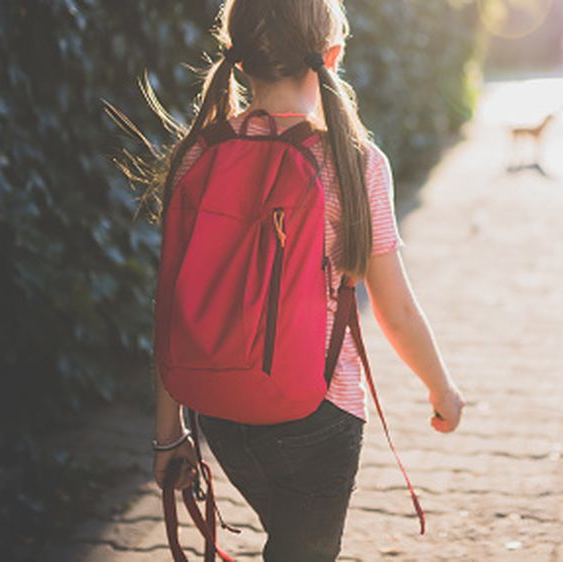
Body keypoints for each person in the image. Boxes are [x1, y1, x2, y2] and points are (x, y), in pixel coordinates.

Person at [143, 1, 465, 560]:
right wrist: (442, 391)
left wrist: (168, 433)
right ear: (332, 57)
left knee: (286, 538)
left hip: (218, 408)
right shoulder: (354, 161)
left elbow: (174, 302)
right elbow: (396, 310)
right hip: (318, 414)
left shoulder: (198, 152)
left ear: (239, 63)